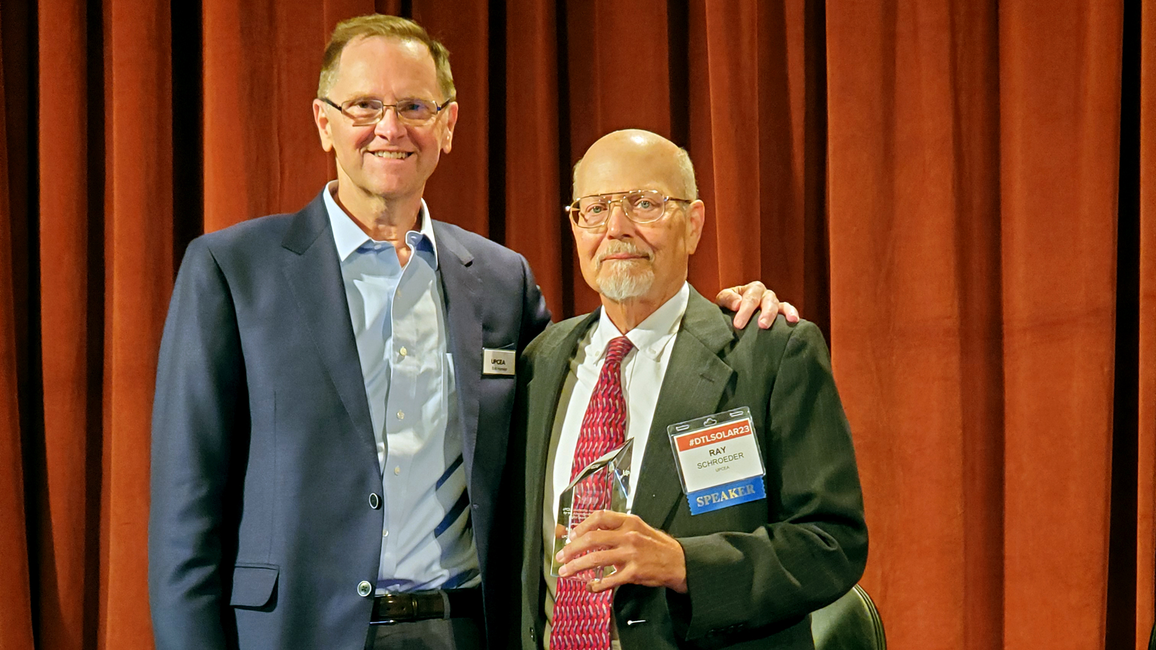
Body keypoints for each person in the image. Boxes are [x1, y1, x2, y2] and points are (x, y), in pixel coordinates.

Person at [148, 14, 792, 650]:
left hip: (465, 629)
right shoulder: (233, 272)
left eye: (415, 106)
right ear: (325, 122)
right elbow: (186, 516)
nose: (389, 128)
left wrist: (719, 318)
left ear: (448, 125)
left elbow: (596, 369)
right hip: (292, 632)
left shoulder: (500, 279)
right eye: (364, 105)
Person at [515, 130, 867, 650]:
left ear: (694, 223)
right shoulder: (538, 364)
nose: (616, 229)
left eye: (644, 204)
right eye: (594, 209)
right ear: (574, 226)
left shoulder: (769, 354)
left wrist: (686, 565)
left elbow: (831, 543)